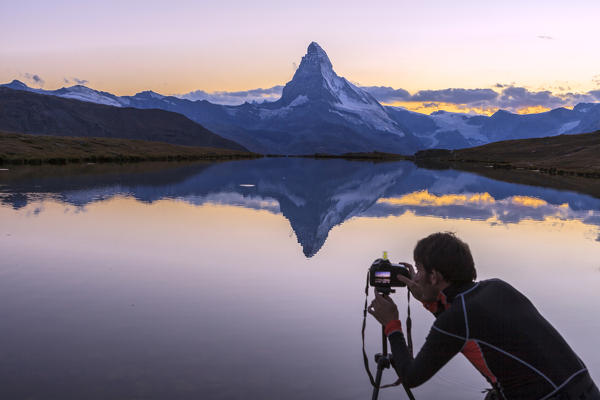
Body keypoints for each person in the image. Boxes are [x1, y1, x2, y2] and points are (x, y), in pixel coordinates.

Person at [368, 232, 599, 400]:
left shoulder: (458, 317)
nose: (415, 277)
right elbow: (464, 332)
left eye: (419, 269)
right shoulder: (497, 287)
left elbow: (411, 377)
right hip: (585, 389)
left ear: (435, 276)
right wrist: (430, 303)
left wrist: (392, 324)